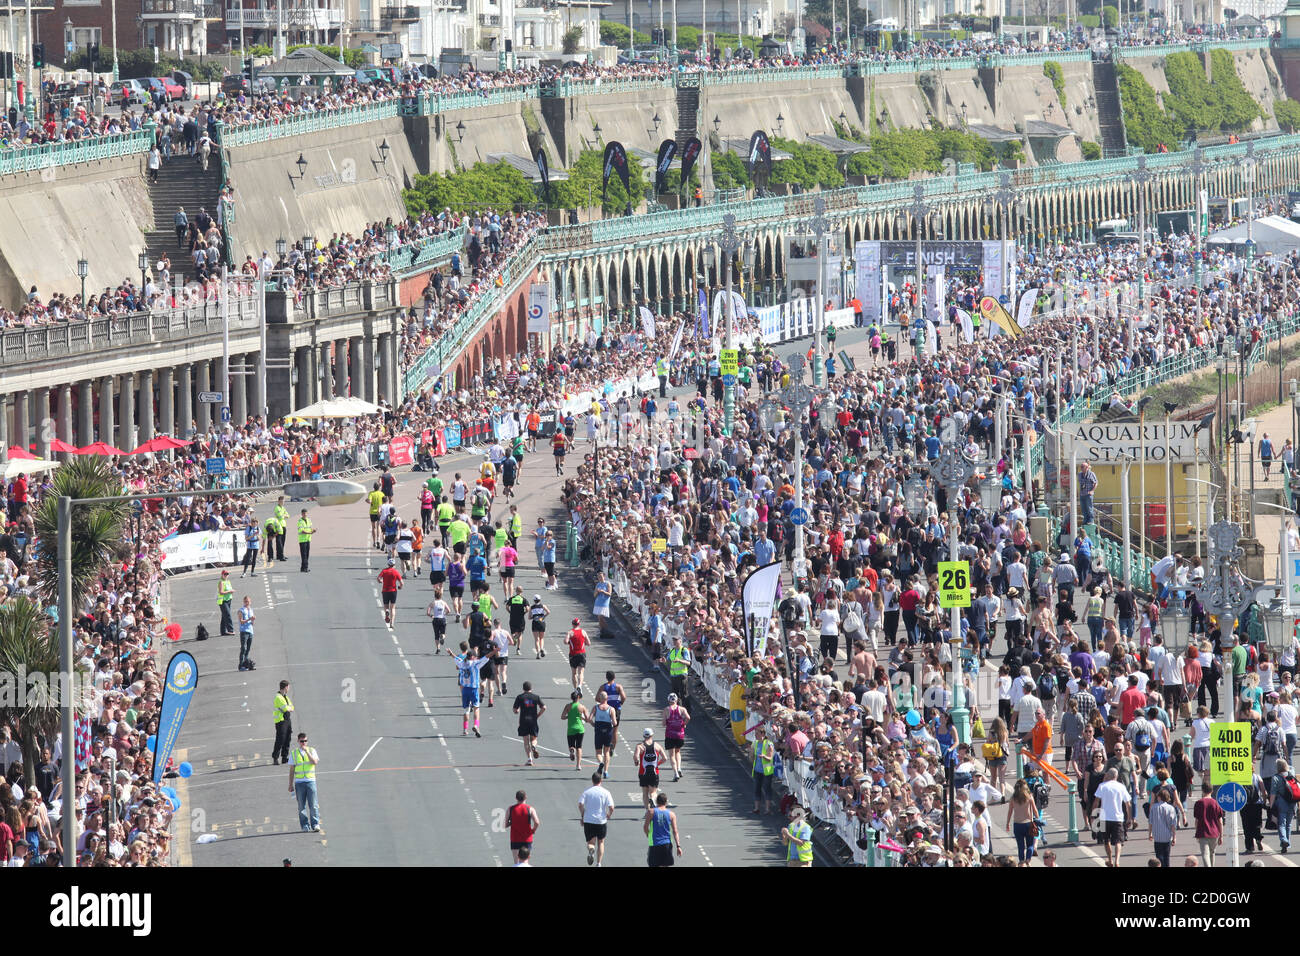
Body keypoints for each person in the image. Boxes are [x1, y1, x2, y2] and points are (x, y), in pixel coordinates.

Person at [449, 642, 493, 738]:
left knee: (466, 710)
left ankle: (465, 729)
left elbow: (456, 658)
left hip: (464, 689)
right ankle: (476, 725)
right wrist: (495, 651)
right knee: (476, 707)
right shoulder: (475, 664)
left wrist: (451, 653)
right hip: (473, 689)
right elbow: (486, 657)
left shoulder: (462, 663)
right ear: (472, 657)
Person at [1094, 768, 1131, 866]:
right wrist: (1129, 817)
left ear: (1108, 775)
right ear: (1117, 776)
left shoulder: (1102, 786)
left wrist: (1093, 815)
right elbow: (1128, 803)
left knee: (1106, 840)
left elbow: (1096, 802)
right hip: (1118, 817)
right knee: (1118, 841)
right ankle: (1117, 861)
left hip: (1104, 817)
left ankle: (1110, 859)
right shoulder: (1121, 787)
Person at [578, 770, 615, 866]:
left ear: (592, 780)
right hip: (601, 820)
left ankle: (591, 849)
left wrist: (583, 815)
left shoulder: (587, 792)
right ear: (601, 780)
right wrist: (608, 814)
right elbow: (611, 807)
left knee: (591, 842)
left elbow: (580, 804)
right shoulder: (606, 792)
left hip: (588, 820)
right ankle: (599, 863)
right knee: (601, 842)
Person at [287, 732, 321, 832]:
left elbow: (314, 762)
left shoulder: (312, 750)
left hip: (310, 781)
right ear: (298, 741)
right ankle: (305, 825)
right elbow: (292, 770)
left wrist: (307, 752)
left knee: (313, 804)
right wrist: (290, 784)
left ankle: (315, 824)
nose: (304, 743)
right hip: (299, 783)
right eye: (302, 741)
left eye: (305, 741)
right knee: (301, 806)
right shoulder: (294, 753)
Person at [644, 791, 682, 867]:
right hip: (667, 844)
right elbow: (675, 831)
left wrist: (648, 835)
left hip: (654, 844)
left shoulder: (651, 812)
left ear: (657, 802)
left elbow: (645, 827)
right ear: (666, 802)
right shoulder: (671, 814)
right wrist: (678, 846)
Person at [1193, 780, 1225, 867]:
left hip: (1203, 832)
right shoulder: (1216, 803)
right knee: (1212, 853)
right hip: (1214, 833)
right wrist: (1221, 835)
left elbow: (1197, 820)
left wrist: (1197, 832)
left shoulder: (1199, 803)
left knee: (1205, 854)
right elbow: (1220, 821)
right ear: (1212, 791)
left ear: (1202, 790)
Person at [513, 681, 545, 766]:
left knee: (526, 740)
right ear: (531, 688)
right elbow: (544, 707)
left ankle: (529, 759)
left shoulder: (520, 697)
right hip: (533, 720)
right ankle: (534, 746)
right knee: (534, 738)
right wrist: (538, 715)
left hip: (523, 720)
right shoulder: (536, 697)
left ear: (523, 688)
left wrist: (518, 711)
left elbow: (515, 710)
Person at [635, 728, 668, 810]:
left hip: (643, 772)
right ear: (652, 735)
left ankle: (647, 810)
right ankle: (653, 799)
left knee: (645, 793)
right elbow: (665, 758)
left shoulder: (640, 746)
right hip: (654, 772)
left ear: (643, 735)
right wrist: (657, 764)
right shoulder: (657, 746)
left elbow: (636, 757)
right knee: (653, 792)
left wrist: (637, 762)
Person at [1271, 758, 1298, 853]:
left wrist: (1271, 806)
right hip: (1293, 802)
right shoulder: (1292, 774)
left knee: (1281, 823)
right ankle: (1287, 844)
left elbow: (1273, 793)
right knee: (1289, 824)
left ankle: (1284, 840)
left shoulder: (1276, 778)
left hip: (1282, 802)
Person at [508, 790, 540, 864]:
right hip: (527, 838)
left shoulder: (511, 809)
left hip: (515, 838)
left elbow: (505, 824)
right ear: (526, 797)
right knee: (525, 861)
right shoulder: (530, 809)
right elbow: (537, 822)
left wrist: (512, 822)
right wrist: (533, 830)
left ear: (516, 798)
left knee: (516, 862)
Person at [663, 692, 690, 782]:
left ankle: (675, 773)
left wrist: (667, 722)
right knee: (678, 751)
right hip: (680, 734)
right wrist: (684, 724)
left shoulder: (666, 709)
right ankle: (679, 768)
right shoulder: (682, 709)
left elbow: (663, 723)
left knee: (671, 755)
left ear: (668, 700)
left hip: (670, 734)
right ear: (677, 700)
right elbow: (688, 717)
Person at [591, 689, 617, 779]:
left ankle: (601, 762)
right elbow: (614, 723)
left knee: (598, 752)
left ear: (599, 698)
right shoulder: (611, 709)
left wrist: (593, 724)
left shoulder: (596, 708)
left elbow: (589, 719)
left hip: (598, 731)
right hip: (608, 731)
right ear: (607, 698)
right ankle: (606, 771)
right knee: (606, 751)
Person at [752, 725, 776, 814]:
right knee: (756, 789)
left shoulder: (769, 744)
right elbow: (752, 755)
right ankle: (756, 808)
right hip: (757, 770)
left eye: (757, 733)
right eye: (755, 733)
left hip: (767, 771)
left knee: (767, 789)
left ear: (762, 734)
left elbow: (770, 758)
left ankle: (767, 809)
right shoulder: (755, 743)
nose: (755, 735)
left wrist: (763, 756)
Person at [561, 691, 588, 770]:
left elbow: (562, 717)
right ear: (578, 697)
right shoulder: (582, 707)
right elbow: (587, 719)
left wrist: (568, 716)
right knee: (579, 747)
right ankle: (578, 765)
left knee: (571, 745)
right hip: (580, 729)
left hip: (571, 729)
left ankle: (572, 750)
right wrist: (581, 718)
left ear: (571, 698)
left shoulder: (568, 706)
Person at [272, 680, 294, 765]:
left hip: (287, 720)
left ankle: (284, 757)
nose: (289, 689)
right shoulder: (278, 697)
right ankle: (275, 757)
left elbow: (292, 707)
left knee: (287, 739)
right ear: (285, 687)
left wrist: (290, 708)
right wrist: (289, 708)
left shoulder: (285, 697)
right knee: (280, 739)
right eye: (288, 687)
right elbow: (286, 708)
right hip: (281, 721)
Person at [667, 633, 691, 706]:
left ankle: (687, 711)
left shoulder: (684, 650)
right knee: (675, 695)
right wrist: (664, 660)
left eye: (676, 640)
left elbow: (688, 663)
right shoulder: (672, 650)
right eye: (673, 640)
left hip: (682, 675)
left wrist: (680, 660)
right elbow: (668, 661)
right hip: (673, 675)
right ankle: (678, 711)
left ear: (680, 641)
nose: (674, 642)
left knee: (684, 694)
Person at [378, 557, 403, 627]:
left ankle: (386, 611)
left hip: (385, 590)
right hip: (393, 591)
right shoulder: (395, 572)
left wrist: (380, 581)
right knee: (393, 607)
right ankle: (392, 623)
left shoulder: (384, 571)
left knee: (386, 605)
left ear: (388, 564)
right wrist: (400, 587)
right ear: (394, 565)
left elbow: (378, 578)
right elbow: (402, 582)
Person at [567, 617, 590, 689]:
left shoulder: (570, 632)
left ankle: (575, 689)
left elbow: (565, 641)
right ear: (579, 624)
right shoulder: (583, 632)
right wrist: (583, 643)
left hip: (573, 654)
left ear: (572, 624)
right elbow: (588, 643)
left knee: (574, 673)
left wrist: (570, 642)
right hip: (582, 654)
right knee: (581, 672)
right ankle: (580, 686)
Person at [426, 587, 450, 652]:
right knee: (443, 633)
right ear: (441, 596)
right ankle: (442, 637)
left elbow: (428, 613)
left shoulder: (433, 603)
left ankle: (438, 648)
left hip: (436, 619)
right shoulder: (443, 602)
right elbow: (449, 610)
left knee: (436, 635)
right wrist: (444, 614)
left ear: (435, 596)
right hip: (442, 619)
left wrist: (431, 616)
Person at [237, 595, 256, 672]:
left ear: (250, 602)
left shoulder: (251, 610)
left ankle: (246, 664)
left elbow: (252, 623)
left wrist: (253, 620)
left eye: (248, 601)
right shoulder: (241, 610)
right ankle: (241, 665)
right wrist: (249, 619)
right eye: (245, 601)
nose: (246, 603)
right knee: (243, 648)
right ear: (243, 602)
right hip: (244, 631)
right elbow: (241, 621)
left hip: (250, 631)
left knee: (248, 649)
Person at [217, 569, 234, 635]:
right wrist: (230, 592)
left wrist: (231, 593)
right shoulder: (221, 582)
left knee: (224, 616)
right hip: (223, 601)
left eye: (227, 574)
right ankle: (231, 630)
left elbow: (230, 589)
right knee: (227, 615)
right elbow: (221, 592)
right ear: (222, 575)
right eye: (225, 574)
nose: (226, 575)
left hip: (228, 600)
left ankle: (223, 631)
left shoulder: (228, 581)